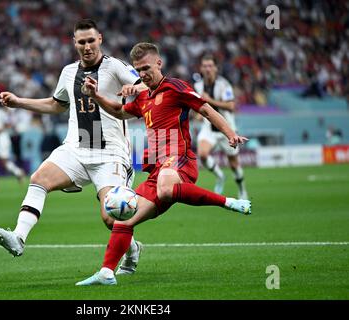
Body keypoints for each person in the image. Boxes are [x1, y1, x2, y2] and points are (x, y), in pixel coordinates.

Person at [76, 42, 251, 286]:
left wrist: (229, 133)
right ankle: (107, 272)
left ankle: (229, 201)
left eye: (146, 67)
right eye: (138, 70)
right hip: (157, 169)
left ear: (159, 63)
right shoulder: (143, 97)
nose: (143, 74)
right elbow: (118, 111)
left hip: (179, 159)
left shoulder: (176, 87)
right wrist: (96, 96)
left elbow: (207, 110)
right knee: (121, 218)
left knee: (167, 188)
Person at [0, 19, 145, 275]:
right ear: (74, 43)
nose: (87, 46)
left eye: (91, 40)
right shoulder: (69, 72)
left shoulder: (115, 67)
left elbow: (145, 84)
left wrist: (134, 87)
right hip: (76, 147)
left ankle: (133, 248)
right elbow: (56, 104)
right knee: (39, 178)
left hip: (110, 154)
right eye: (81, 42)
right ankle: (18, 236)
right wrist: (19, 102)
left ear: (100, 39)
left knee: (110, 217)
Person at [194, 54, 248, 199]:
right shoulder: (198, 86)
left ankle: (242, 190)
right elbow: (200, 106)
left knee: (234, 164)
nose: (208, 69)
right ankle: (220, 176)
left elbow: (231, 105)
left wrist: (210, 100)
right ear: (201, 68)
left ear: (216, 68)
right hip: (208, 128)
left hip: (227, 129)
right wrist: (199, 114)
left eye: (210, 66)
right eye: (205, 66)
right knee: (203, 154)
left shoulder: (224, 85)